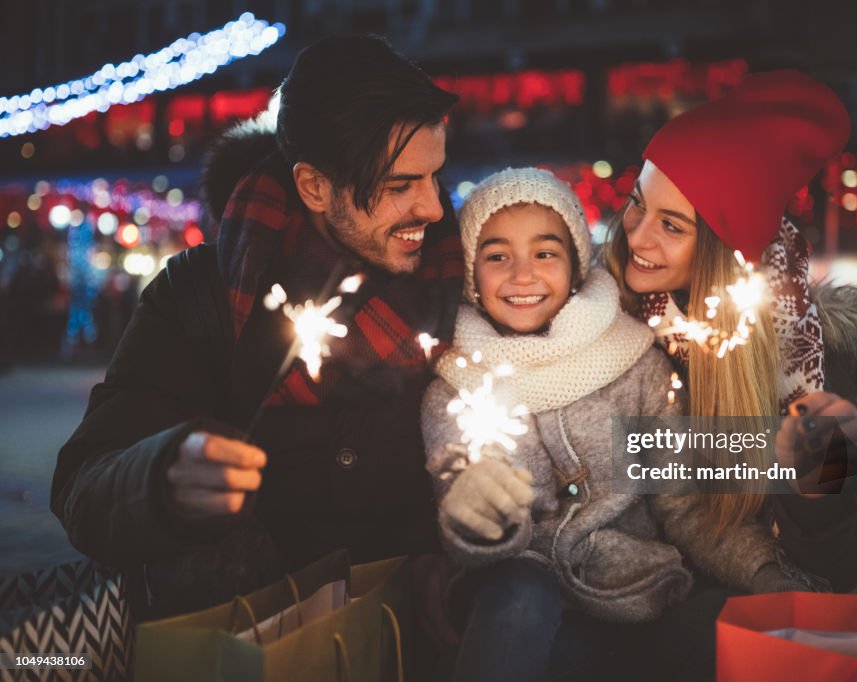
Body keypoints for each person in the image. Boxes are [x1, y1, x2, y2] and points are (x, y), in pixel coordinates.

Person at [50, 35, 464, 618]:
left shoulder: (472, 284)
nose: (433, 208)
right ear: (314, 186)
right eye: (400, 186)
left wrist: (463, 562)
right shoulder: (201, 295)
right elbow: (82, 484)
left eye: (433, 177)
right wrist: (163, 477)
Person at [422, 168, 816, 682]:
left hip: (631, 601)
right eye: (497, 256)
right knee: (521, 593)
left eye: (545, 253)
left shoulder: (637, 367)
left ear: (576, 265)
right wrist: (477, 513)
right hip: (516, 604)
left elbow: (684, 508)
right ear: (473, 275)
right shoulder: (456, 388)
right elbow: (461, 492)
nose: (522, 275)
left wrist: (767, 574)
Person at [603, 70, 857, 610]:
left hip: (730, 616)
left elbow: (842, 568)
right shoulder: (595, 317)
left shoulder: (808, 361)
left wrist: (818, 487)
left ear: (721, 249)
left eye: (672, 226)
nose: (636, 235)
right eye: (638, 202)